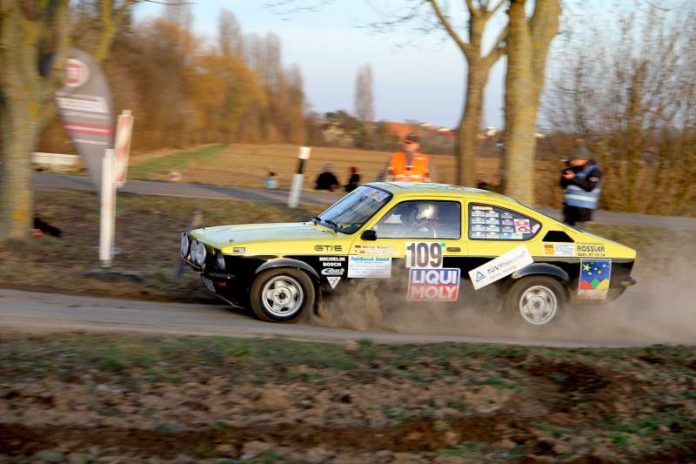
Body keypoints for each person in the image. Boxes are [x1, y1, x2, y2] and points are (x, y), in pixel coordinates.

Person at [560, 148, 602, 229]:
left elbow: (589, 187)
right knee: (565, 234)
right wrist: (564, 174)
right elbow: (563, 186)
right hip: (569, 208)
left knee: (577, 234)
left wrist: (574, 178)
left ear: (582, 159)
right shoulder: (574, 170)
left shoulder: (594, 171)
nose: (572, 161)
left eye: (574, 159)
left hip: (582, 210)